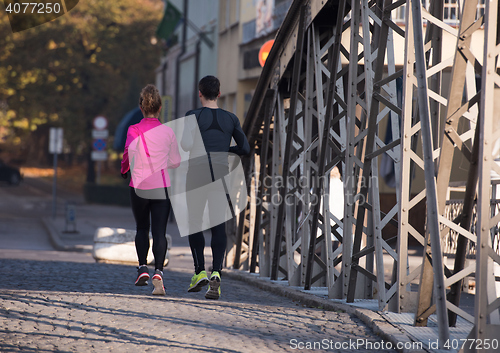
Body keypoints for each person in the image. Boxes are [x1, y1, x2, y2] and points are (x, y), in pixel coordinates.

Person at [182, 75, 250, 299]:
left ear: (199, 93)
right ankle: (217, 274)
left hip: (197, 175)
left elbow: (186, 144)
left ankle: (199, 271)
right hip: (220, 176)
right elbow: (245, 148)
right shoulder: (231, 118)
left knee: (194, 224)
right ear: (219, 94)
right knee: (218, 226)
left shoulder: (192, 116)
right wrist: (225, 150)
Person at [121, 84, 181, 295]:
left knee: (141, 228)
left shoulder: (133, 130)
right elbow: (175, 162)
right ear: (160, 107)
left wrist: (124, 169)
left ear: (141, 107)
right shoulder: (167, 132)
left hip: (139, 185)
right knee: (159, 232)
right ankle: (159, 272)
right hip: (161, 186)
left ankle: (142, 268)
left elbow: (128, 154)